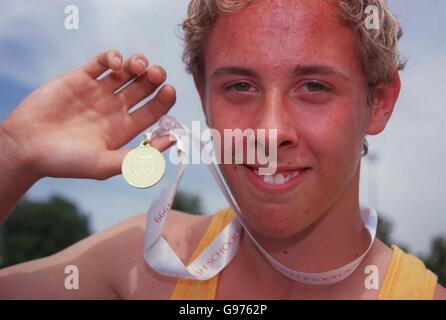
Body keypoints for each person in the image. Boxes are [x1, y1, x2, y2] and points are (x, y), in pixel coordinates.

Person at [0, 0, 445, 300]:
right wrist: (12, 156)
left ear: (379, 102)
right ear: (204, 95)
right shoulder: (145, 265)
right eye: (239, 86)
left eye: (314, 86)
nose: (269, 131)